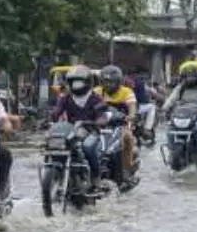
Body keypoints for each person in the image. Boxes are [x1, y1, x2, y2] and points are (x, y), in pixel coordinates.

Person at [50, 65, 109, 193]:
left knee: (88, 148)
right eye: (73, 82)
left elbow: (102, 116)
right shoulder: (65, 98)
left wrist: (96, 122)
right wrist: (52, 117)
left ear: (87, 82)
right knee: (53, 146)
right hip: (70, 131)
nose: (76, 86)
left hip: (90, 131)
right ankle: (55, 175)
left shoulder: (95, 98)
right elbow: (57, 112)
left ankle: (95, 179)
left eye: (79, 82)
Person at [160, 63, 197, 158]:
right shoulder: (180, 87)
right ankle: (171, 151)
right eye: (188, 77)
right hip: (182, 115)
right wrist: (165, 108)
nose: (190, 79)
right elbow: (171, 99)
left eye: (193, 77)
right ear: (183, 77)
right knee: (170, 130)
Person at [95, 65, 139, 185]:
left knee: (128, 138)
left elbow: (132, 108)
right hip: (100, 125)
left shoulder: (127, 92)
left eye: (111, 82)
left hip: (121, 125)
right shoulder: (96, 91)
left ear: (118, 82)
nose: (108, 85)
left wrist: (131, 116)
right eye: (105, 82)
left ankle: (127, 169)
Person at [132, 68, 157, 143]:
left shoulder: (131, 81)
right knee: (152, 107)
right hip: (136, 106)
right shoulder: (140, 82)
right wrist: (149, 100)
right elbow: (142, 98)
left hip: (128, 106)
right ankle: (147, 128)